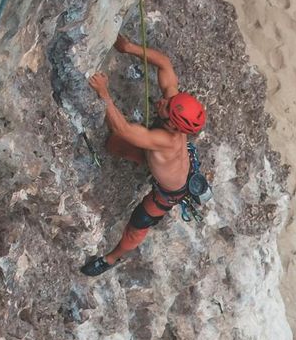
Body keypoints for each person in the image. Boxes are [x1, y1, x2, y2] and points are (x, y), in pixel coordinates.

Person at [81, 33, 208, 277]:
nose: (161, 102)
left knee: (138, 226)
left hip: (170, 191)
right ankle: (146, 163)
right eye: (168, 102)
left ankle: (110, 258)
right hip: (177, 166)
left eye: (166, 109)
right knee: (113, 145)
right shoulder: (173, 111)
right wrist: (129, 47)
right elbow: (165, 64)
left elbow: (124, 128)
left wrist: (104, 93)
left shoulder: (164, 140)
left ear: (173, 125)